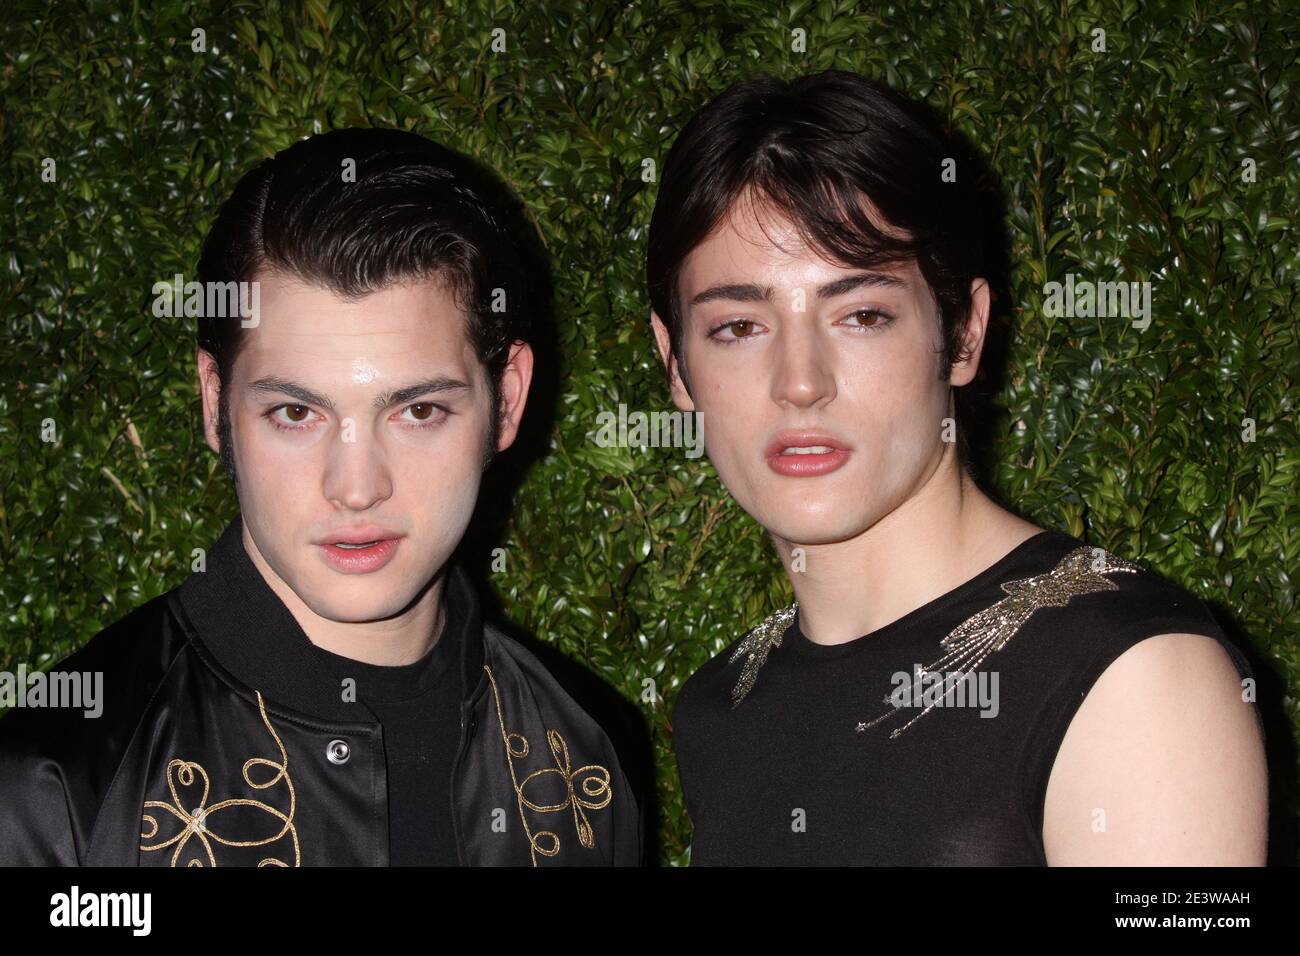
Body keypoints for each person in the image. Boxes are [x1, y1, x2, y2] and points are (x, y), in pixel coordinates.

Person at [647, 71, 1267, 865]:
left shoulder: (1135, 677)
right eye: (738, 326)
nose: (800, 381)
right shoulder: (722, 704)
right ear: (676, 365)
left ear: (964, 334)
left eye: (862, 315)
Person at [0, 128, 641, 867]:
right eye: (296, 414)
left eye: (418, 411)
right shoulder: (55, 791)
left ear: (507, 400)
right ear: (215, 406)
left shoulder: (587, 747)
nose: (357, 486)